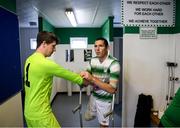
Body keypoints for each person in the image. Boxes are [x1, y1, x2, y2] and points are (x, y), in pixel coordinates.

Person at [23, 31, 86, 127]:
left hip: (28, 113)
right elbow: (72, 76)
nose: (55, 50)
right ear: (44, 43)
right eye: (53, 46)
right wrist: (87, 80)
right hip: (41, 115)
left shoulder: (29, 60)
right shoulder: (46, 64)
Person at [80, 37, 120, 127]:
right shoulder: (92, 61)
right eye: (95, 46)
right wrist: (80, 80)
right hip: (94, 96)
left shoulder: (114, 63)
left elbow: (112, 90)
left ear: (107, 48)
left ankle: (102, 120)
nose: (97, 49)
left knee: (103, 125)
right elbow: (86, 82)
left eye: (101, 46)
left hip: (105, 100)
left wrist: (93, 79)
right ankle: (94, 113)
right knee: (87, 117)